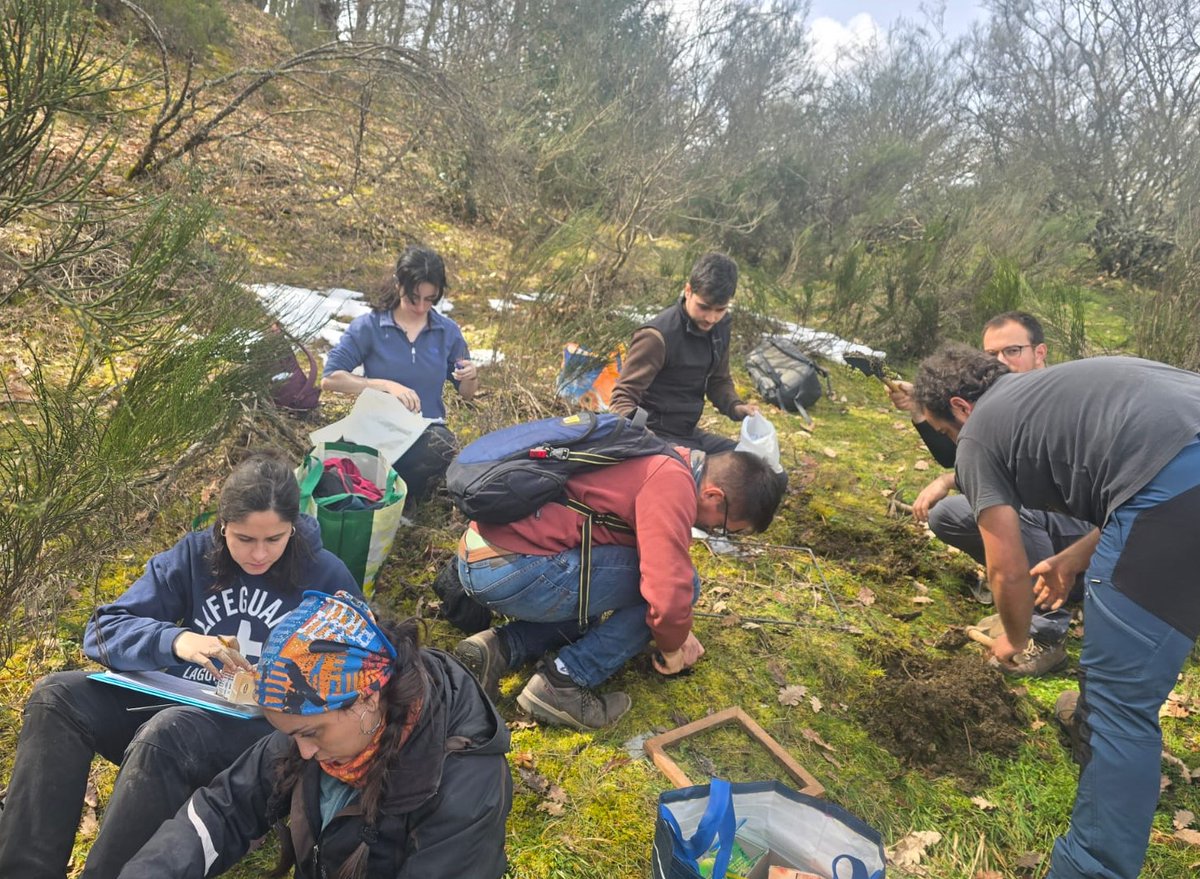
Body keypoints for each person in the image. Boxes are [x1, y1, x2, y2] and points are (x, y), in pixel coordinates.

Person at [0, 453, 360, 879]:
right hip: (182, 701)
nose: (260, 554)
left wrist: (288, 683)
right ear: (223, 524)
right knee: (57, 697)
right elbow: (103, 629)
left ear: (294, 529)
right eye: (244, 539)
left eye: (275, 539)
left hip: (260, 736)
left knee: (169, 732)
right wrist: (177, 641)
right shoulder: (196, 556)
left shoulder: (325, 576)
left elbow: (361, 672)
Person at [912, 346, 1200, 879]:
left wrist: (1015, 639)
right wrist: (1072, 557)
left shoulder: (978, 434)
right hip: (1177, 474)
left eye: (945, 433)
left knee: (1118, 704)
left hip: (1180, 495)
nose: (954, 446)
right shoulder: (1061, 389)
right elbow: (1142, 467)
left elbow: (1006, 569)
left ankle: (1090, 868)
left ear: (960, 408)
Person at [118, 590, 512, 879]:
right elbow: (223, 810)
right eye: (291, 735)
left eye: (310, 733)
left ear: (367, 701)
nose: (303, 752)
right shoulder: (311, 724)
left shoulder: (464, 786)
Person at [452, 448, 784, 730]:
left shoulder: (666, 456)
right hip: (517, 569)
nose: (714, 531)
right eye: (724, 528)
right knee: (684, 584)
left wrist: (677, 627)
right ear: (714, 496)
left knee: (597, 615)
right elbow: (667, 591)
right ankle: (564, 682)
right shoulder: (672, 484)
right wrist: (673, 644)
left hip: (484, 556)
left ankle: (499, 648)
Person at [888, 312, 1092, 676]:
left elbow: (1005, 553)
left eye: (1012, 350)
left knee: (1011, 508)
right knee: (949, 513)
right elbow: (967, 451)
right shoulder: (1003, 406)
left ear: (1040, 352)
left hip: (1103, 525)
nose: (1001, 362)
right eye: (991, 355)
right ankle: (1049, 594)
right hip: (1107, 518)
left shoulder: (1052, 400)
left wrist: (1014, 635)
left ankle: (1043, 633)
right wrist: (924, 412)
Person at [323, 245, 479, 502]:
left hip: (423, 435)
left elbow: (467, 394)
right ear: (398, 285)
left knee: (441, 445)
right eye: (412, 298)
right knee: (331, 465)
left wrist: (471, 376)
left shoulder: (447, 332)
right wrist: (384, 385)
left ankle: (400, 501)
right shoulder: (370, 326)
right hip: (374, 429)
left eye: (429, 300)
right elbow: (331, 379)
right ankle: (369, 492)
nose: (420, 308)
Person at [610, 252, 759, 453]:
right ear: (688, 290)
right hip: (654, 436)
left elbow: (719, 379)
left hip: (689, 434)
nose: (711, 318)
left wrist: (736, 407)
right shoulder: (656, 337)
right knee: (702, 475)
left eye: (720, 309)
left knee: (761, 465)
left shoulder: (721, 326)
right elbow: (621, 399)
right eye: (704, 307)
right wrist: (645, 438)